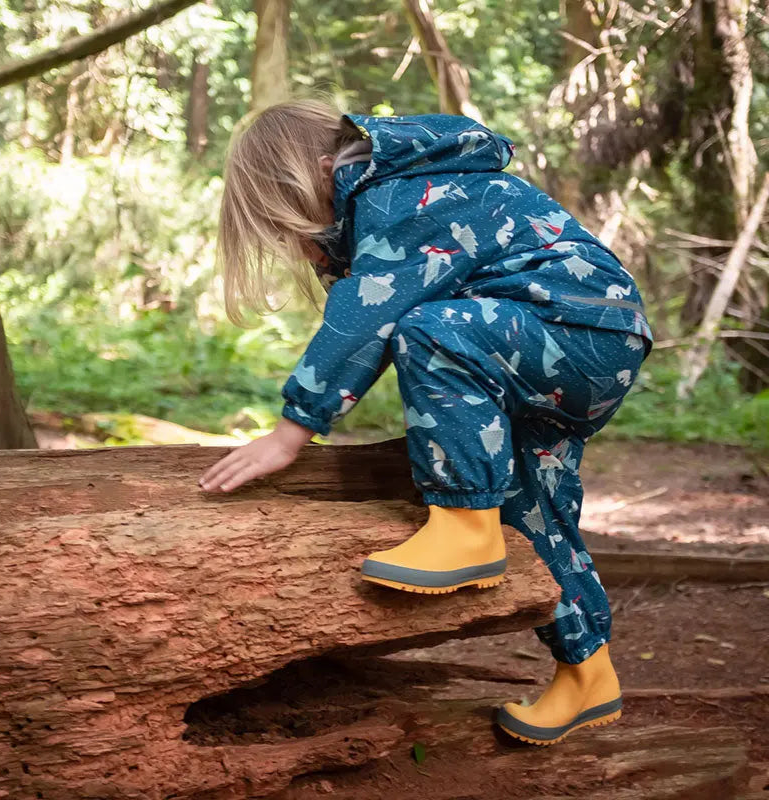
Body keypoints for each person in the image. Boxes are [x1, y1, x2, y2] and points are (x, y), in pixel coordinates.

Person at [200, 99, 652, 745]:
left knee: (430, 333)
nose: (299, 236)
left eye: (293, 211)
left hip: (579, 330)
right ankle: (587, 674)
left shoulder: (400, 192)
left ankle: (465, 532)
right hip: (552, 346)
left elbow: (366, 317)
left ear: (325, 169)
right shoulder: (395, 202)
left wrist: (293, 429)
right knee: (529, 504)